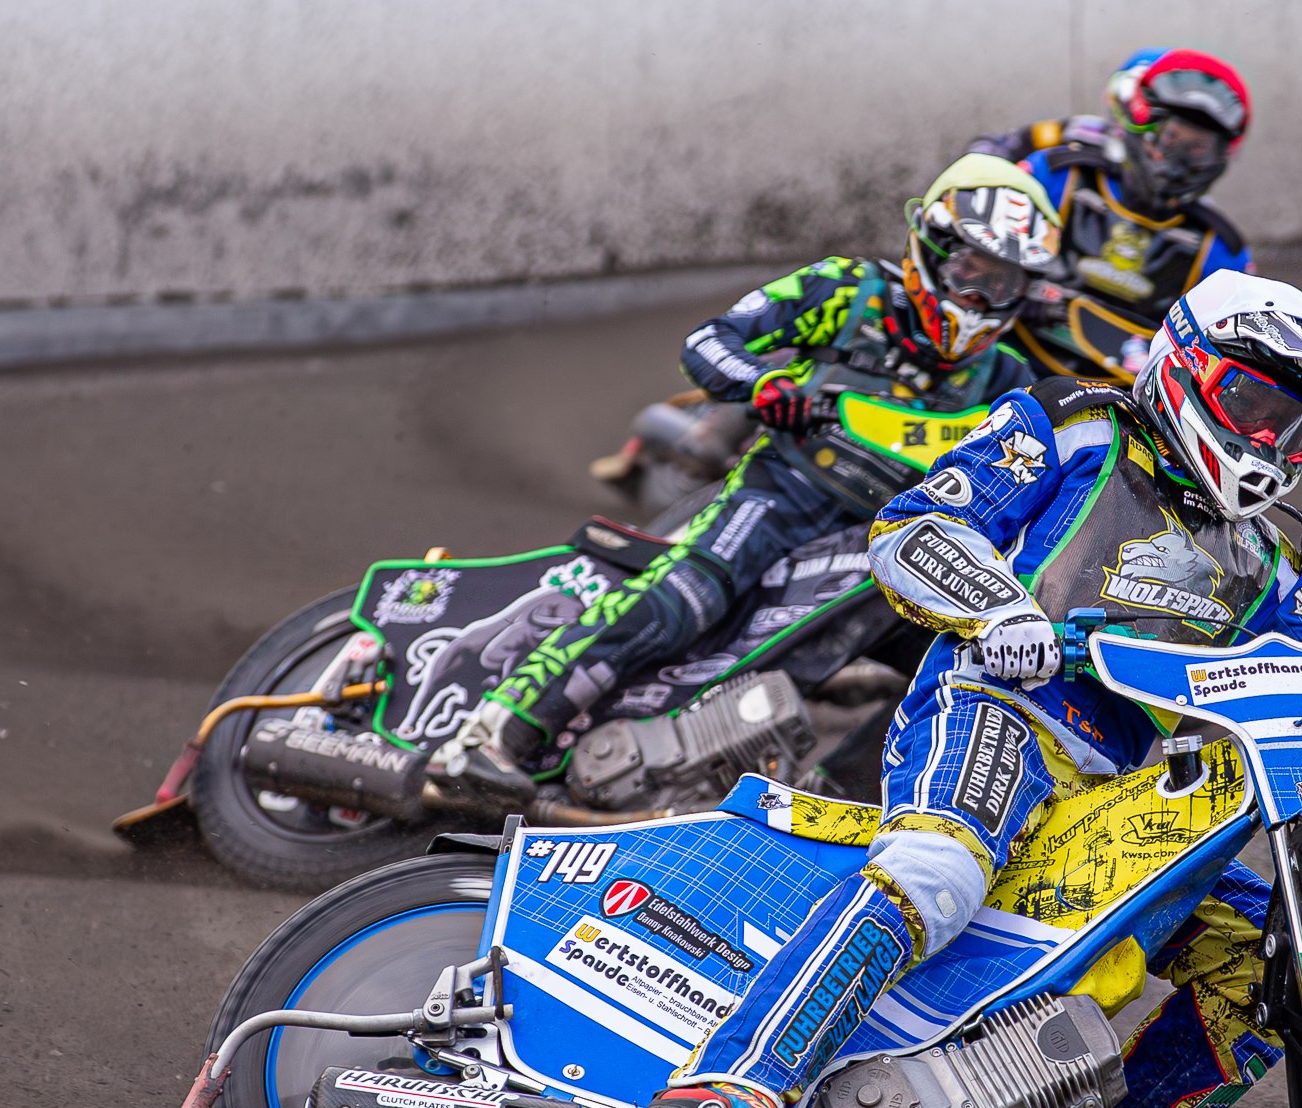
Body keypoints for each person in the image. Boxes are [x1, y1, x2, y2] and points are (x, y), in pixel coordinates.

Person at [636, 270, 1302, 1108]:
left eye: (1300, 429)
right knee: (937, 870)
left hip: (1111, 791)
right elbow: (914, 528)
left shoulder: (1270, 561)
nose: (1272, 442)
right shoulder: (1071, 427)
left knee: (1275, 952)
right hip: (994, 708)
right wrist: (996, 608)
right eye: (1256, 406)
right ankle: (736, 1079)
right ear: (1188, 368)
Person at [427, 156, 1061, 813]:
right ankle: (495, 733)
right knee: (686, 597)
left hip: (891, 546)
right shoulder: (848, 290)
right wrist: (764, 384)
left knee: (961, 670)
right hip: (785, 493)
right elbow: (710, 340)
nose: (980, 298)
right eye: (970, 271)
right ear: (931, 248)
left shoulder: (1006, 380)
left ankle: (844, 806)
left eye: (1004, 282)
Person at [968, 48, 1257, 382]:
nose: (1177, 160)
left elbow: (1230, 363)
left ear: (1220, 156)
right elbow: (974, 250)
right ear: (1142, 123)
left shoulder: (1220, 249)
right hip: (1008, 365)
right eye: (1173, 136)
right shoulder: (1060, 173)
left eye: (1197, 148)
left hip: (1128, 402)